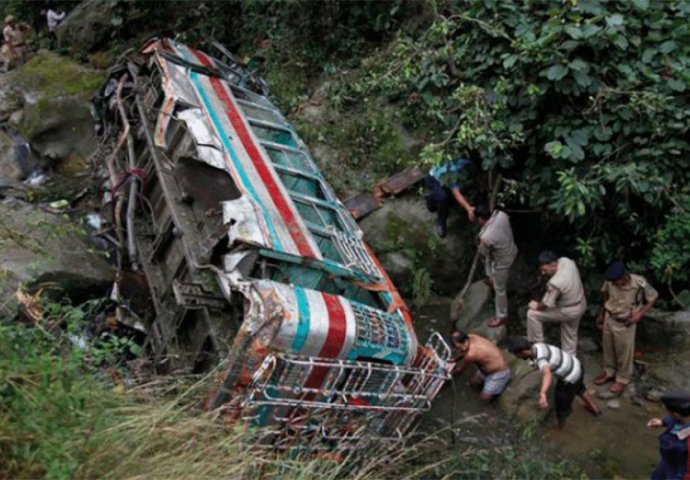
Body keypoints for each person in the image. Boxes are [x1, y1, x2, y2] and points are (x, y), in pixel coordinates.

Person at [506, 336, 600, 429]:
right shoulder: (537, 345)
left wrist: (543, 393)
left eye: (517, 355)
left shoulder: (540, 359)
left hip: (570, 378)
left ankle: (560, 427)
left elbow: (547, 373)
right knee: (579, 388)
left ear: (524, 352)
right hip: (577, 366)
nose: (517, 357)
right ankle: (594, 409)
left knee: (561, 404)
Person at [593, 261, 658, 395]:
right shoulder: (610, 281)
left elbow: (653, 297)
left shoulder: (639, 283)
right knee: (608, 348)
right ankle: (609, 372)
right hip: (609, 318)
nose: (615, 284)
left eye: (618, 281)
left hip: (625, 322)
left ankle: (622, 379)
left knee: (624, 352)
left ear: (625, 277)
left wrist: (640, 313)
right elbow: (606, 295)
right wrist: (602, 314)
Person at [526, 251, 586, 357]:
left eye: (545, 270)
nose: (543, 273)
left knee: (532, 314)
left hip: (567, 311)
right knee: (570, 334)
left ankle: (539, 350)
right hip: (580, 303)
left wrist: (535, 305)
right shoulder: (566, 261)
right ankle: (571, 360)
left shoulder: (555, 283)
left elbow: (546, 304)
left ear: (553, 265)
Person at [475, 204, 518, 328]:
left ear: (481, 219)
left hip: (503, 261)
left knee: (500, 290)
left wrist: (480, 239)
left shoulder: (487, 237)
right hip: (511, 248)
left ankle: (502, 316)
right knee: (490, 257)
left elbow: (483, 252)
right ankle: (490, 278)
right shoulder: (502, 215)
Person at [450, 330, 511, 402]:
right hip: (485, 368)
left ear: (465, 341)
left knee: (483, 400)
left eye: (459, 348)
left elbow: (460, 370)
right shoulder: (471, 337)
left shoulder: (471, 354)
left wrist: (449, 376)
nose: (459, 350)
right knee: (472, 384)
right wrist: (454, 359)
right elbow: (463, 352)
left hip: (498, 373)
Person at [424, 158, 477, 238]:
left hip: (444, 178)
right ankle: (440, 222)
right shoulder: (453, 172)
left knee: (448, 196)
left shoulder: (467, 163)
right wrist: (468, 209)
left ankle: (437, 199)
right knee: (442, 197)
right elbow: (456, 194)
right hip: (434, 179)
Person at [647, 391, 690, 480]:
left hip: (679, 470)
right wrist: (663, 422)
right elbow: (673, 420)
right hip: (667, 461)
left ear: (675, 414)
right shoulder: (683, 417)